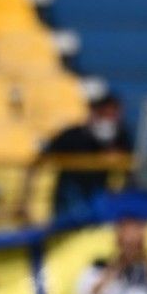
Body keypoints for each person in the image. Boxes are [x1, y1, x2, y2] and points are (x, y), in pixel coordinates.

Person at [44, 92, 134, 222]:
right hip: (71, 193)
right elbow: (41, 159)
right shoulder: (72, 135)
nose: (110, 119)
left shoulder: (121, 137)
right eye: (106, 114)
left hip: (99, 193)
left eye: (114, 115)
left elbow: (129, 170)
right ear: (95, 113)